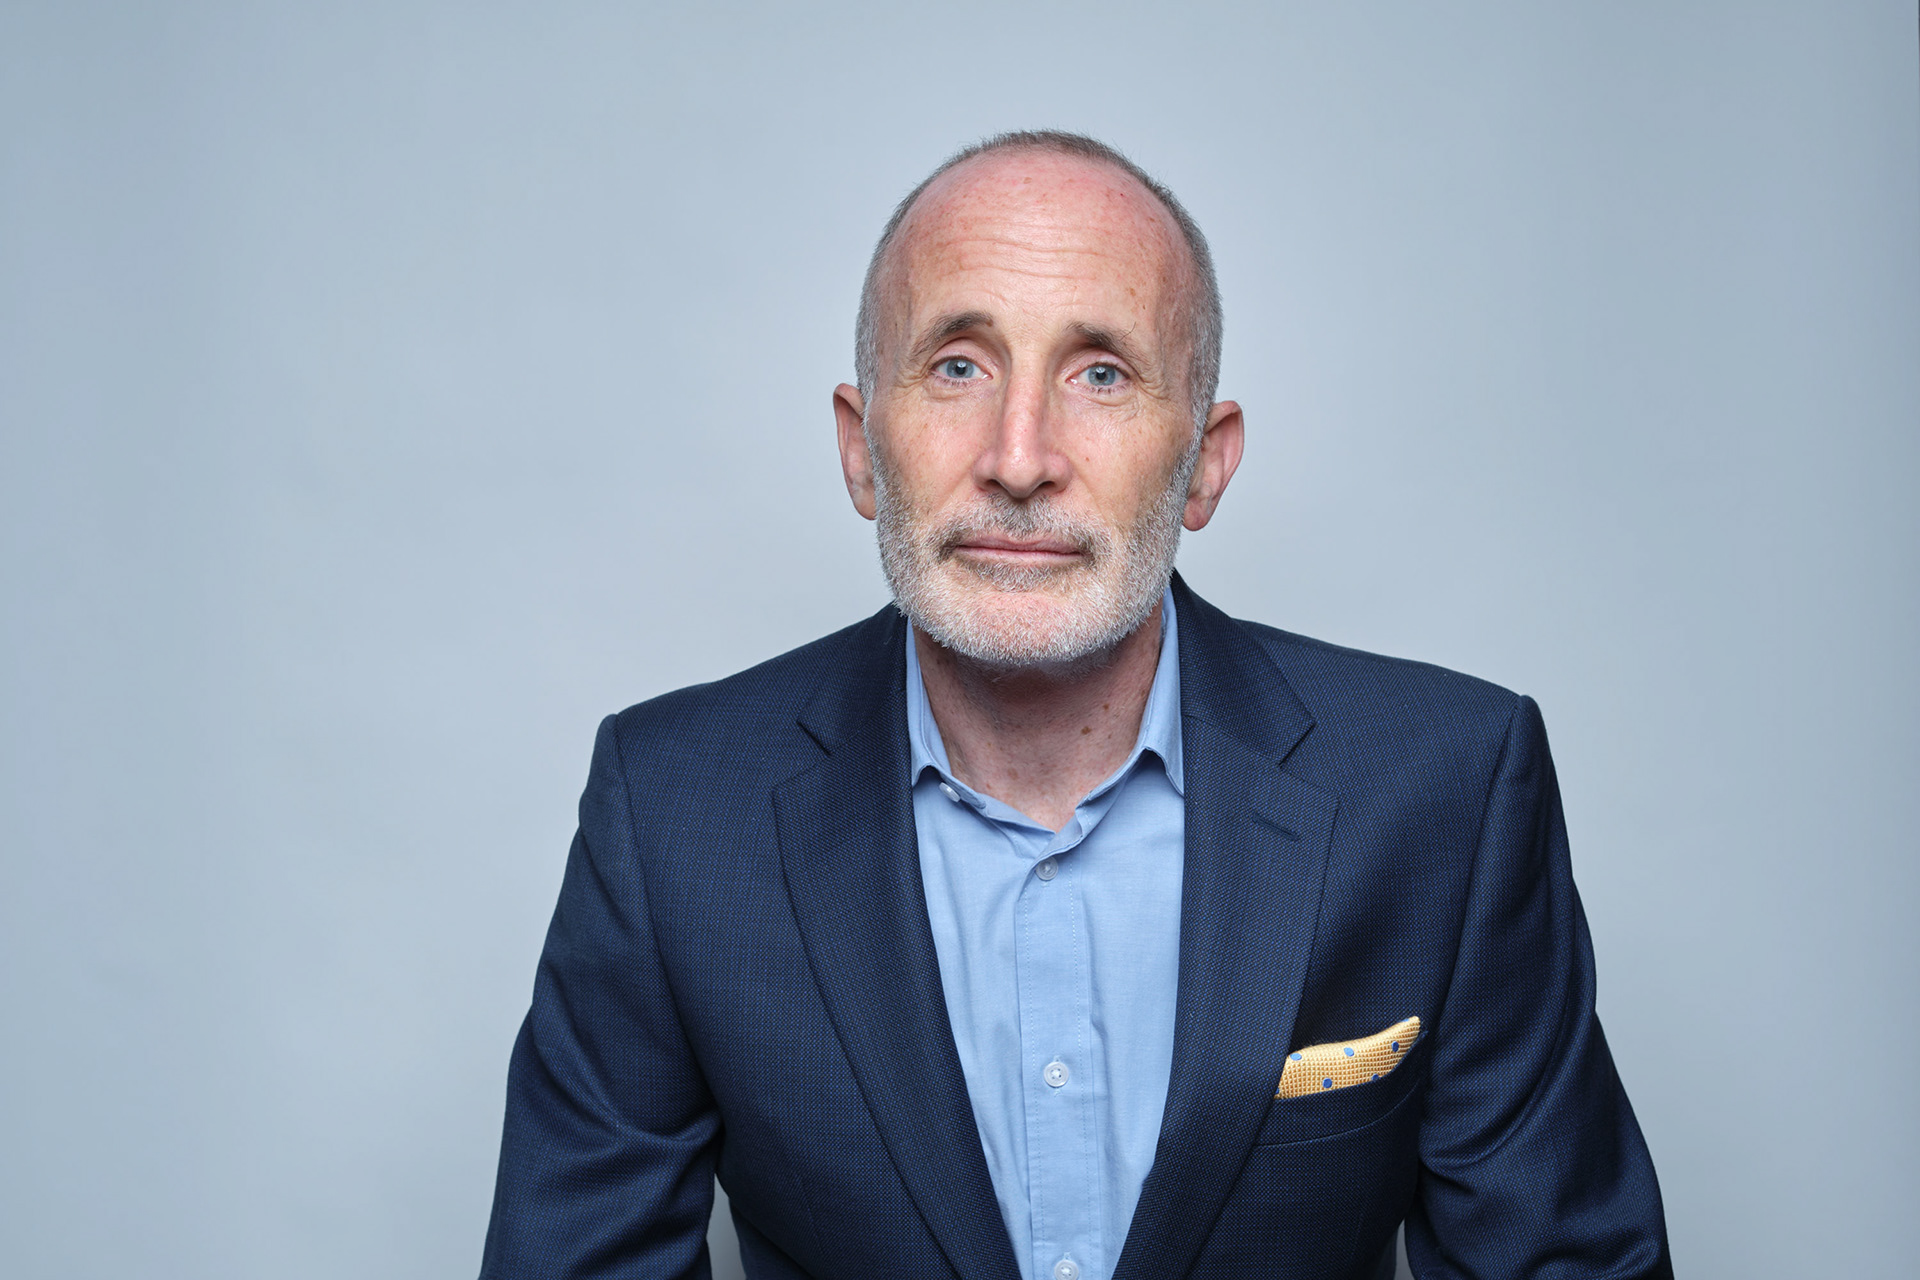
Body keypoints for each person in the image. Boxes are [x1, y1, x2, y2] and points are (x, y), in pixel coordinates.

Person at [478, 131, 1670, 1280]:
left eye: (1101, 372)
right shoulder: (673, 814)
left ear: (1205, 460)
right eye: (958, 364)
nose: (1019, 455)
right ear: (860, 447)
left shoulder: (1447, 791)